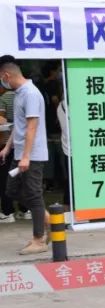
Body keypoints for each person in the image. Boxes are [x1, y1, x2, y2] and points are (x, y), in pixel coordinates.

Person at [0, 56, 49, 255]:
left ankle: (39, 239)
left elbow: (31, 126)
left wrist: (26, 156)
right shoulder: (19, 93)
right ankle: (46, 217)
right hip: (20, 152)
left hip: (32, 154)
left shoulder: (30, 93)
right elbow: (19, 125)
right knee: (11, 190)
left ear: (6, 75)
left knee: (33, 195)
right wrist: (8, 147)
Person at [0, 85, 16, 222]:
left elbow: (1, 120)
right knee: (20, 176)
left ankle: (8, 211)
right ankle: (26, 210)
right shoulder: (22, 96)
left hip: (5, 143)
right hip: (20, 144)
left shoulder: (3, 99)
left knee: (4, 177)